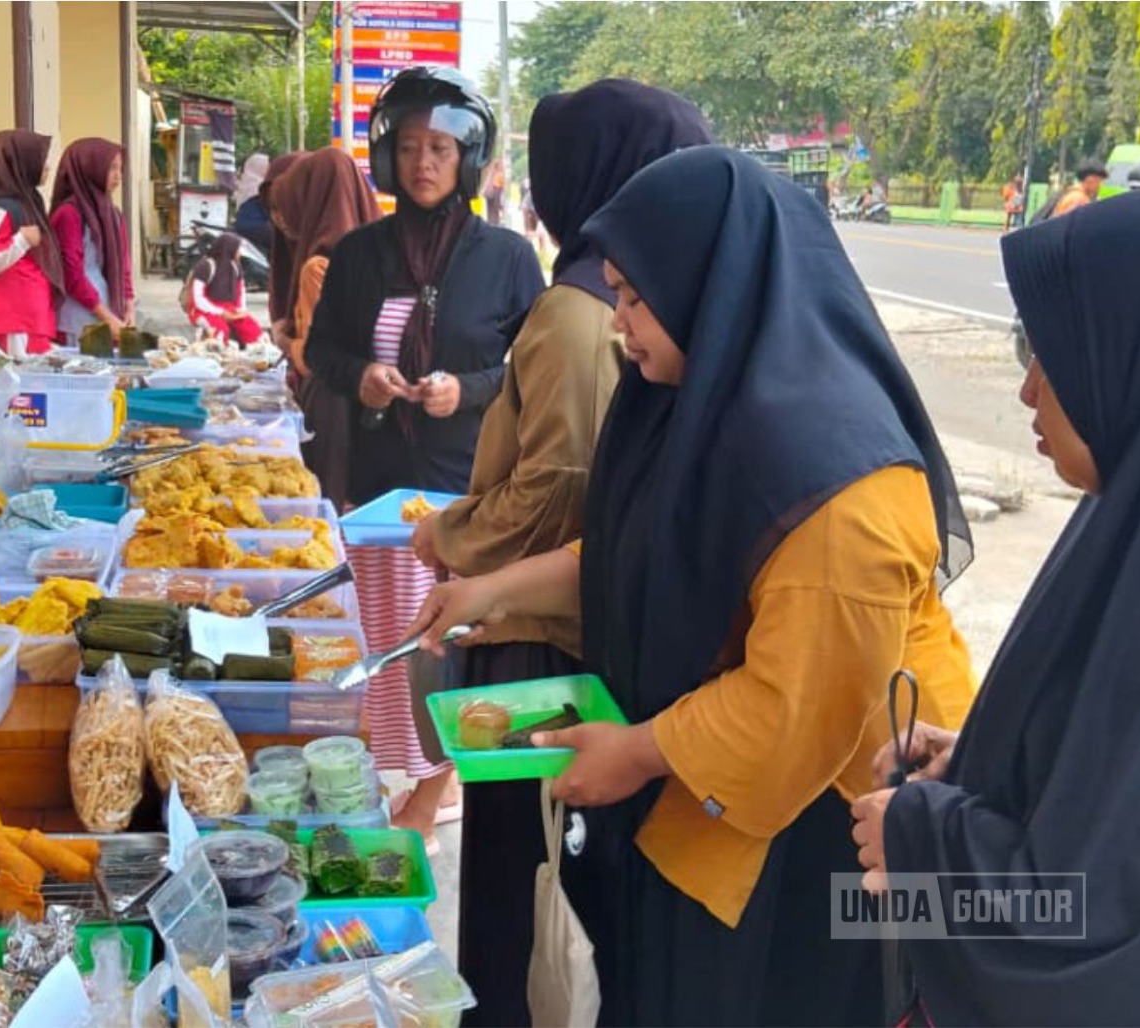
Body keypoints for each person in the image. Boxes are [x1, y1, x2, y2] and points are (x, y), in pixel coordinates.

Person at [405, 146, 977, 1025]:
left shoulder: (841, 485)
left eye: (635, 299)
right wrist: (493, 591)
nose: (617, 322)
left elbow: (794, 706)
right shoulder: (701, 404)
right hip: (718, 782)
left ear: (712, 287)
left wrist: (634, 752)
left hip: (823, 820)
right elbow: (639, 554)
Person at [851, 186, 1140, 1025]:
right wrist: (988, 760)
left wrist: (925, 845)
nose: (1026, 391)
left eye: (1051, 352)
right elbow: (1110, 771)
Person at [409, 78, 713, 1026]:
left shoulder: (579, 312)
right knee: (517, 888)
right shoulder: (600, 299)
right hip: (533, 610)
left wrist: (453, 541)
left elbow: (565, 491)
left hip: (545, 638)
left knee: (525, 890)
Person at [305, 67, 544, 842]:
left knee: (450, 637)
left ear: (468, 158)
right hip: (380, 489)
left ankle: (434, 787)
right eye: (409, 147)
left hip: (469, 484)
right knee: (388, 634)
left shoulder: (506, 258)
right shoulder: (359, 254)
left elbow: (533, 368)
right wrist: (363, 380)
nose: (423, 164)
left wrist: (468, 389)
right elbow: (322, 349)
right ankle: (401, 767)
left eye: (440, 147)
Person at [267, 148, 383, 506]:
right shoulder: (385, 255)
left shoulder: (318, 267)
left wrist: (285, 340)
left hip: (336, 416)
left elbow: (319, 359)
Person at [0, 129, 64, 356]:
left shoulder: (29, 202)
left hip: (25, 320)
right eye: (40, 160)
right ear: (19, 163)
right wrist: (20, 242)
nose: (47, 168)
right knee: (16, 386)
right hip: (10, 322)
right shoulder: (3, 211)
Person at [49, 137, 134, 344]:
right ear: (90, 167)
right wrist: (107, 317)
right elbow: (72, 274)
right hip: (78, 316)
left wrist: (129, 306)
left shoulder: (113, 214)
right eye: (111, 168)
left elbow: (124, 265)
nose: (118, 176)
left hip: (108, 310)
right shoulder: (70, 213)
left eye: (120, 169)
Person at [183, 232, 261, 344]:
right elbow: (198, 298)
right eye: (237, 249)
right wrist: (220, 312)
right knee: (220, 332)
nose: (239, 253)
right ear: (228, 249)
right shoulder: (205, 267)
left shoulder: (236, 266)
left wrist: (240, 310)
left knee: (253, 331)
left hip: (230, 309)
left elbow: (240, 291)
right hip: (203, 311)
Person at [261, 152, 305, 334]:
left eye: (286, 204)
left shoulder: (333, 253)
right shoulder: (284, 252)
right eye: (271, 208)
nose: (278, 217)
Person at [233, 152, 274, 256]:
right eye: (267, 166)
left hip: (242, 227)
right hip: (257, 227)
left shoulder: (245, 182)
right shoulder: (260, 187)